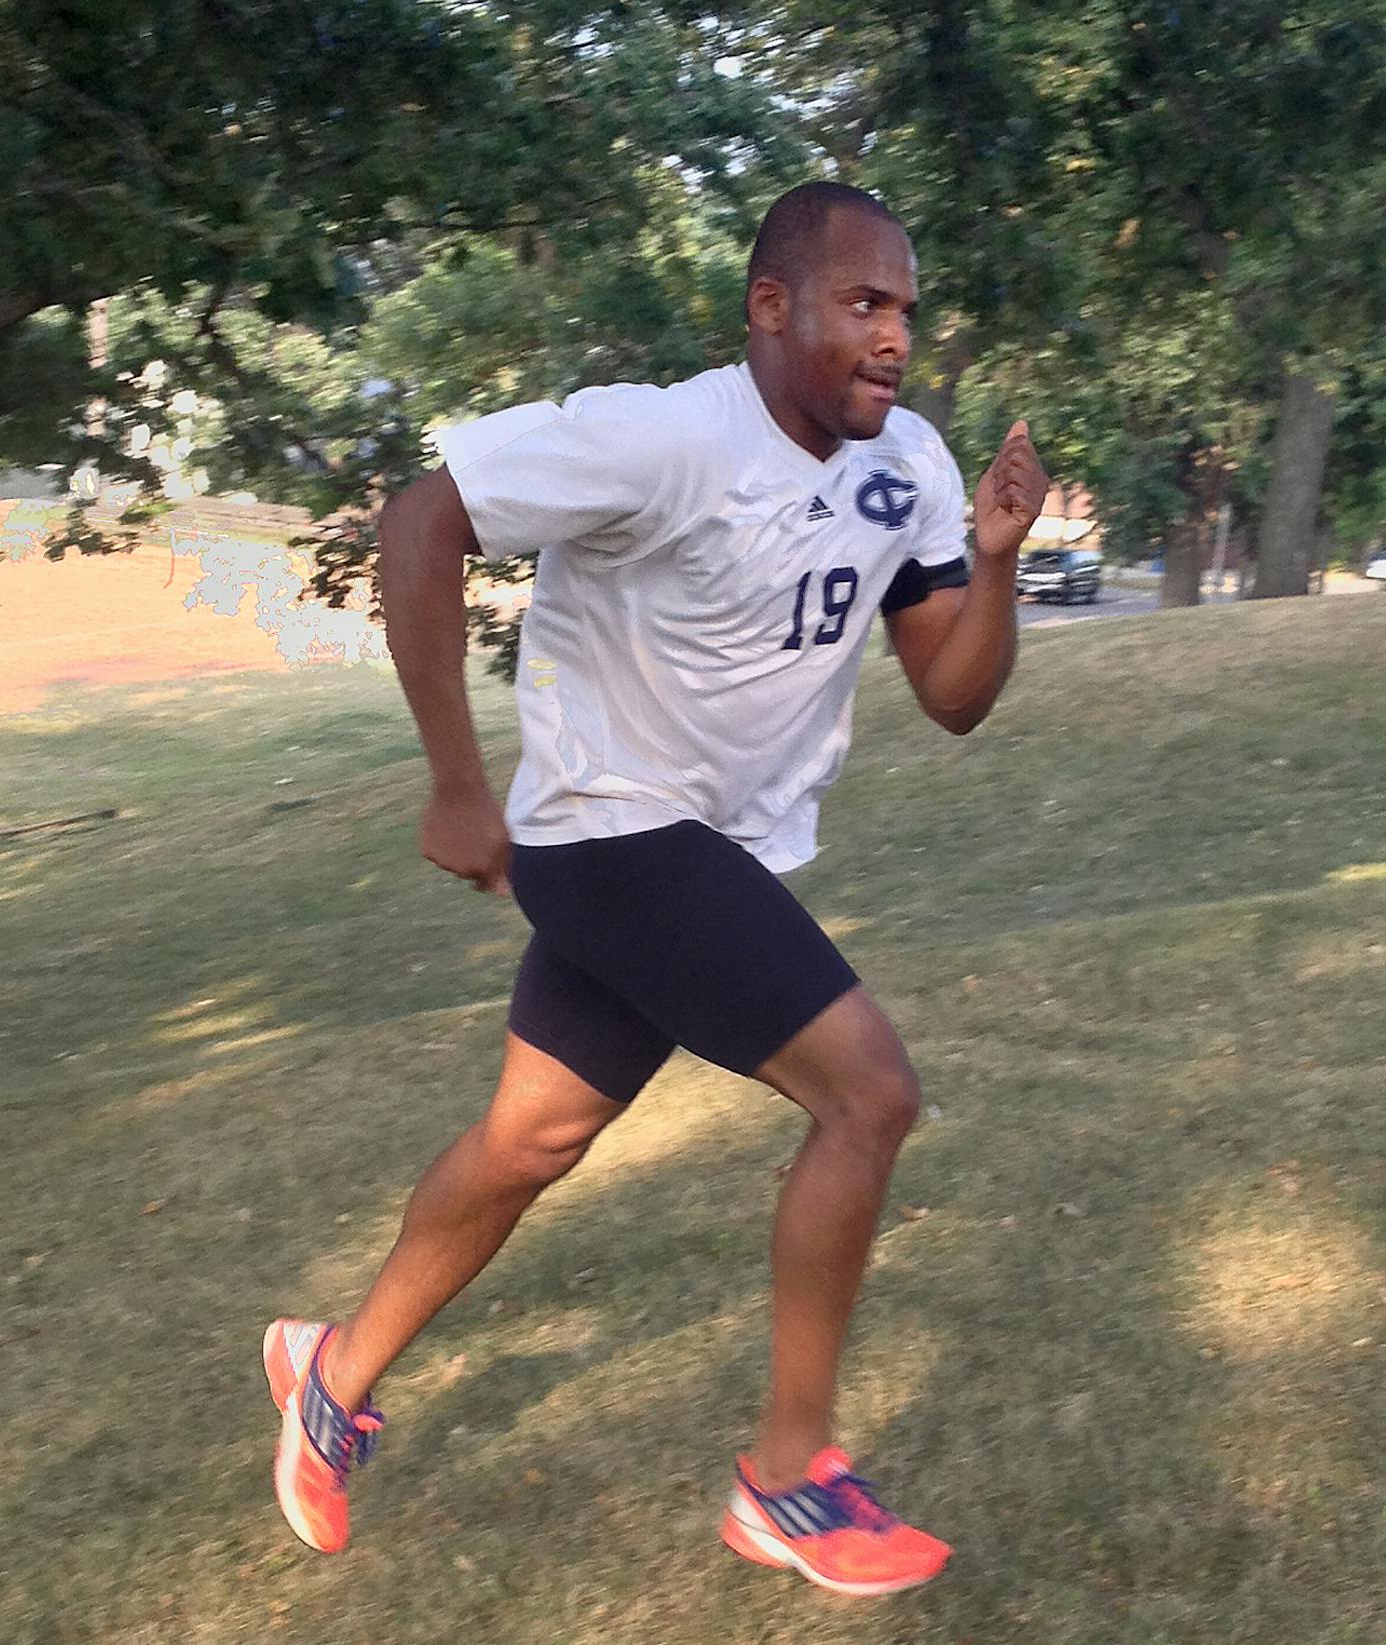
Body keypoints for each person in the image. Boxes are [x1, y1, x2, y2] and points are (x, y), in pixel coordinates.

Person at [262, 180, 1045, 1596]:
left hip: (716, 851)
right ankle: (791, 1475)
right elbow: (418, 523)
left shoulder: (911, 464)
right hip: (609, 832)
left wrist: (993, 565)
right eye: (864, 304)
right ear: (772, 308)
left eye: (907, 312)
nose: (895, 338)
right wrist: (454, 776)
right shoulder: (664, 435)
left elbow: (953, 694)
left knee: (528, 1142)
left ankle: (332, 1372)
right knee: (869, 1092)